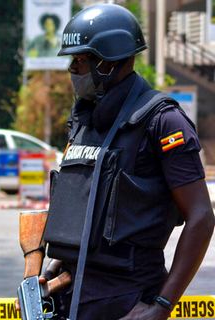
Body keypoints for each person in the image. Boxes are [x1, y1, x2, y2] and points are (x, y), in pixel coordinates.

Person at [37, 4, 214, 320]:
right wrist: (53, 269)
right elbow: (81, 206)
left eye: (80, 60)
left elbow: (201, 217)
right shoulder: (83, 119)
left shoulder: (164, 121)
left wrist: (161, 306)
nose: (72, 70)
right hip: (68, 298)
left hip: (127, 302)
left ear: (107, 61)